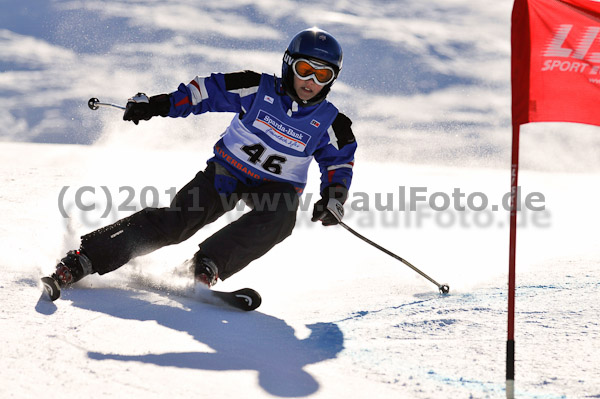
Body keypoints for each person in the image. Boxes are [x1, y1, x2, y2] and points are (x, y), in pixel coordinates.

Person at [51, 27, 357, 290]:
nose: (311, 81)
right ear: (289, 65)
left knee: (282, 217)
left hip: (275, 189)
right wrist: (159, 104)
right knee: (179, 221)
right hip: (227, 173)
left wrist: (334, 197)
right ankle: (87, 257)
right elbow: (205, 92)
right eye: (305, 70)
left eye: (322, 75)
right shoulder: (256, 87)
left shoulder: (331, 122)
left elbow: (339, 162)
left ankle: (206, 265)